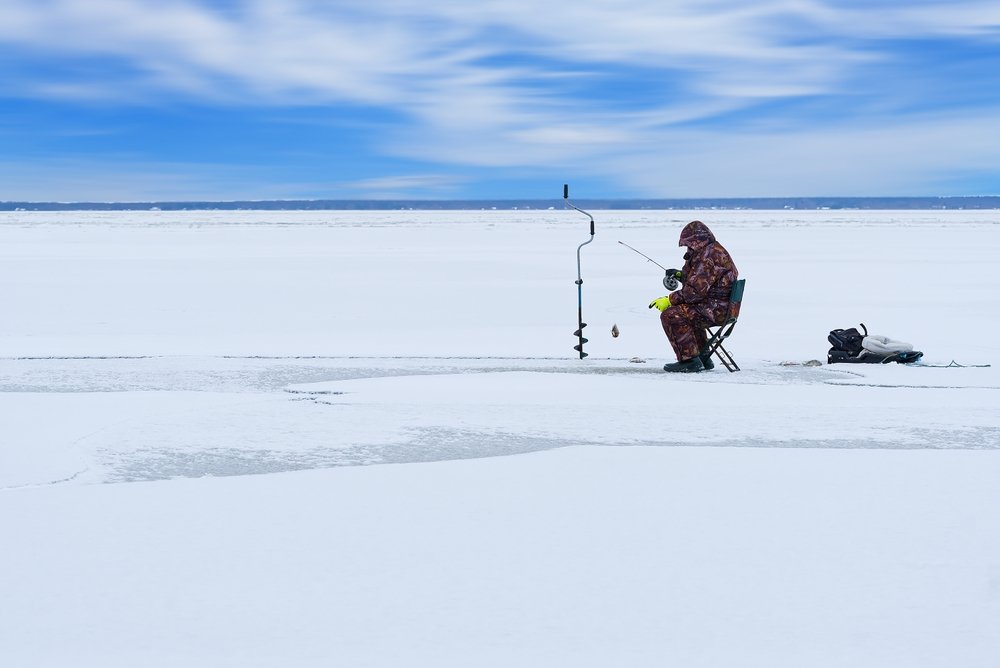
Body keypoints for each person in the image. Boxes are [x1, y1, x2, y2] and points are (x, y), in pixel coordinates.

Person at [648, 220, 739, 372]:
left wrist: (669, 300)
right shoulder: (712, 250)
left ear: (697, 241)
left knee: (671, 315)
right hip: (720, 307)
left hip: (716, 310)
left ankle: (689, 360)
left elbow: (693, 292)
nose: (688, 247)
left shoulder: (708, 256)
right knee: (688, 312)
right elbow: (702, 282)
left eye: (689, 244)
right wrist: (680, 275)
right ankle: (702, 357)